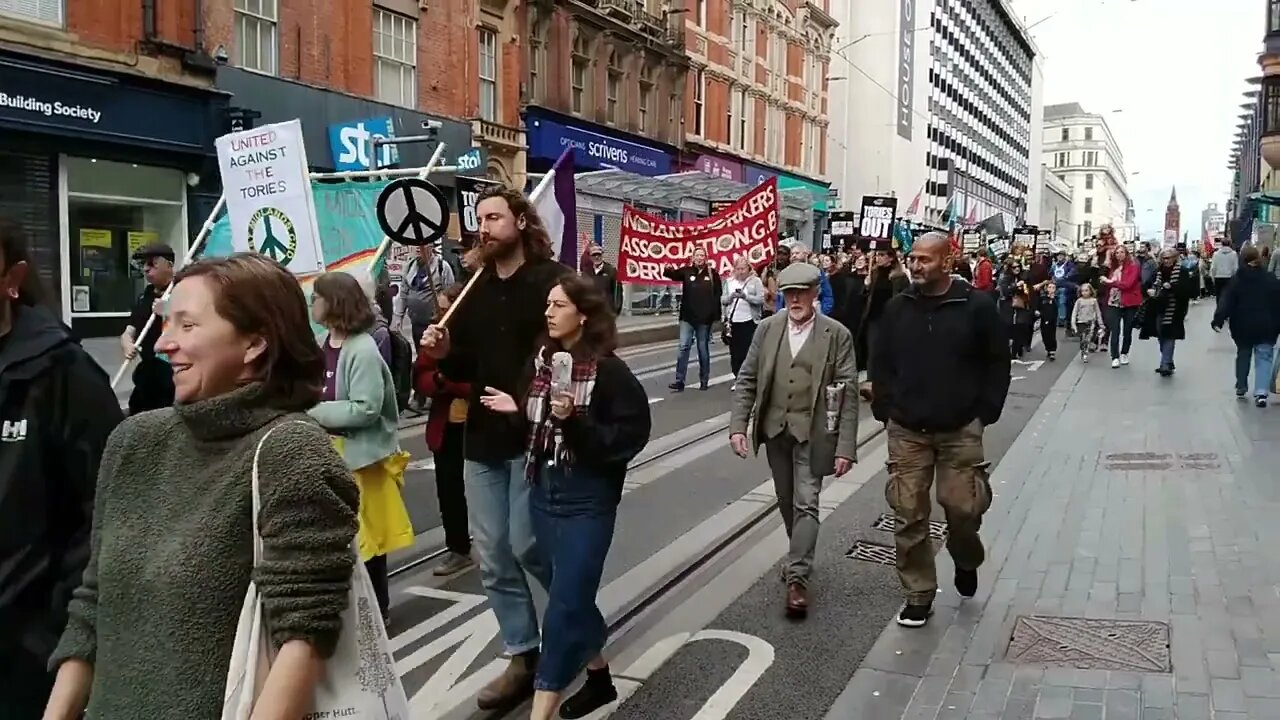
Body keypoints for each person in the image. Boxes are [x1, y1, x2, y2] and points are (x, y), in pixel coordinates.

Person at [43, 253, 359, 719]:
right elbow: (93, 604)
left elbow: (302, 640)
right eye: (167, 325)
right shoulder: (133, 441)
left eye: (187, 326)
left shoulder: (290, 451)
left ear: (254, 343)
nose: (163, 344)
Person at [420, 184, 572, 710]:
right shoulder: (474, 286)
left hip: (531, 435)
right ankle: (522, 652)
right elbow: (462, 365)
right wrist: (441, 352)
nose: (483, 227)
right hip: (482, 437)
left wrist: (536, 395)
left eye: (493, 218)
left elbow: (575, 351)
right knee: (491, 553)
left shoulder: (551, 282)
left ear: (521, 222)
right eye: (479, 219)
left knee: (528, 544)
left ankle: (574, 615)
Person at [481, 275, 651, 720]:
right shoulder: (540, 363)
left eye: (558, 305)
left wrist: (575, 421)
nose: (548, 312)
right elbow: (535, 432)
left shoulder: (608, 371)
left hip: (587, 501)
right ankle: (598, 679)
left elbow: (630, 435)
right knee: (568, 597)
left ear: (583, 314)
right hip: (543, 494)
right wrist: (515, 412)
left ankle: (540, 713)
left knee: (562, 609)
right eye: (548, 304)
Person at [0, 221, 123, 717]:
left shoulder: (60, 372)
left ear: (13, 277)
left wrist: (52, 628)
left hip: (24, 655)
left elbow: (111, 504)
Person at [869, 232, 1010, 628]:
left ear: (947, 262)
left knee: (962, 508)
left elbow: (998, 362)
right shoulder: (898, 308)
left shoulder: (976, 308)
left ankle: (966, 557)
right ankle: (918, 593)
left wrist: (985, 413)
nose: (915, 266)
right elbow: (880, 361)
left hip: (961, 428)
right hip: (907, 429)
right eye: (912, 258)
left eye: (924, 260)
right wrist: (886, 408)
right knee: (908, 511)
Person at [729, 262, 859, 618]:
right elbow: (748, 379)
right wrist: (738, 426)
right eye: (790, 293)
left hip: (815, 431)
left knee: (807, 502)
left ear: (816, 293)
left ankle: (797, 577)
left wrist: (845, 447)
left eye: (803, 292)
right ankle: (798, 555)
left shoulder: (837, 335)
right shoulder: (767, 330)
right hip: (775, 431)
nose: (796, 299)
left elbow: (847, 393)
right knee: (786, 500)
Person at [309, 271, 413, 624]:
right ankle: (352, 609)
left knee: (367, 542)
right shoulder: (323, 343)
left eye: (316, 297)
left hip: (359, 461)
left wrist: (311, 413)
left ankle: (375, 612)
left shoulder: (363, 349)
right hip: (329, 456)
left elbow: (366, 407)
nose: (312, 304)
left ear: (333, 303)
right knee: (342, 538)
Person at [412, 284, 476, 577]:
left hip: (481, 425)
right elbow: (421, 377)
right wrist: (439, 381)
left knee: (488, 490)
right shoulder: (435, 337)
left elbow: (480, 382)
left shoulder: (476, 336)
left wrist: (446, 380)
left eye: (445, 307)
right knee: (449, 490)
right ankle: (458, 548)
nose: (439, 313)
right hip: (447, 426)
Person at [1212, 245, 1280, 407]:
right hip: (1267, 325)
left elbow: (1226, 301)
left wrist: (1218, 319)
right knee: (1264, 356)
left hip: (1242, 325)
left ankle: (1241, 385)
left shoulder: (1237, 280)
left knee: (1243, 354)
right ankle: (1261, 392)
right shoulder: (1270, 279)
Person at [395, 243, 455, 411]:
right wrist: (398, 317)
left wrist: (445, 318)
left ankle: (431, 394)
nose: (416, 250)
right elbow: (403, 293)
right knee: (421, 358)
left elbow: (449, 293)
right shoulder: (410, 267)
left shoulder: (442, 267)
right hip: (416, 322)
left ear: (430, 248)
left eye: (420, 247)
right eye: (414, 247)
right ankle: (420, 394)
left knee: (435, 356)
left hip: (434, 323)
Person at [120, 242, 177, 414]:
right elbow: (129, 329)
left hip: (175, 372)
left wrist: (168, 311)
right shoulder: (145, 296)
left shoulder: (183, 290)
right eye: (144, 264)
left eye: (152, 264)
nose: (146, 269)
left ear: (169, 265)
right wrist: (127, 343)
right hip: (149, 371)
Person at [662, 247, 721, 392]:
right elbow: (673, 275)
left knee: (702, 349)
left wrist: (716, 317)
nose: (700, 258)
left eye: (702, 255)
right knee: (683, 347)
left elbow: (717, 295)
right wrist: (668, 269)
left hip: (704, 320)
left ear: (706, 257)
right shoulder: (687, 271)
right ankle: (679, 380)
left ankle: (704, 380)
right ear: (693, 257)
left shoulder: (712, 274)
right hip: (687, 318)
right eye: (697, 255)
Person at [1138, 248, 1197, 376]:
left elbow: (1188, 290)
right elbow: (1145, 285)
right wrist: (1148, 291)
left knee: (1169, 334)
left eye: (1169, 258)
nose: (1167, 260)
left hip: (1175, 308)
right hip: (1157, 307)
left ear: (1174, 258)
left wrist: (1172, 287)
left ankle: (1165, 364)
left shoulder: (1182, 271)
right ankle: (1168, 360)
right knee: (1160, 334)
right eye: (1164, 258)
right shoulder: (1157, 271)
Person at [1099, 245, 1143, 368]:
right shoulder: (1112, 267)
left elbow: (1128, 284)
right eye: (1117, 252)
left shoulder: (1133, 266)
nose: (1119, 254)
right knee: (1115, 330)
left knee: (1127, 330)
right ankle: (1115, 356)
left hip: (1129, 302)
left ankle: (1124, 353)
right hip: (1113, 302)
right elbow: (1100, 275)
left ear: (1126, 253)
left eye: (1122, 252)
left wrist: (1110, 282)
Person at [722, 256, 765, 381]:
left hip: (749, 321)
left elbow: (760, 300)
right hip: (733, 322)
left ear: (748, 268)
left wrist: (746, 296)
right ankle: (738, 377)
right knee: (735, 353)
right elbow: (723, 300)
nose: (741, 271)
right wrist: (731, 297)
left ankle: (748, 378)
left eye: (743, 268)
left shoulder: (755, 281)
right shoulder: (729, 282)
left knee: (748, 352)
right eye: (738, 269)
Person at [582, 245, 621, 314]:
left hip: (607, 312)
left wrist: (616, 310)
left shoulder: (611, 270)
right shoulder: (586, 272)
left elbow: (618, 292)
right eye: (594, 255)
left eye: (599, 254)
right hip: (591, 312)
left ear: (602, 255)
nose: (597, 257)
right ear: (590, 257)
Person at [1071, 284, 1102, 363]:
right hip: (1081, 322)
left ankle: (1085, 353)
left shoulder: (1094, 301)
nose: (1084, 293)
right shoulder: (1079, 301)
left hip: (1090, 322)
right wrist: (1073, 324)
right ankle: (1083, 349)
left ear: (1091, 291)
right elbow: (1074, 312)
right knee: (1083, 339)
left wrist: (1101, 324)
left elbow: (1098, 312)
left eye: (1086, 290)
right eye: (1082, 291)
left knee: (1088, 338)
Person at [1036, 280, 1059, 361]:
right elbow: (1038, 306)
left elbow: (1057, 308)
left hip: (1052, 320)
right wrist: (1037, 311)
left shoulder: (1056, 298)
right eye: (1049, 287)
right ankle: (1048, 349)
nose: (1051, 289)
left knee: (1052, 335)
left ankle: (1052, 351)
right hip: (1044, 319)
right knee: (1045, 335)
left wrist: (1053, 299)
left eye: (1053, 287)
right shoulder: (1042, 298)